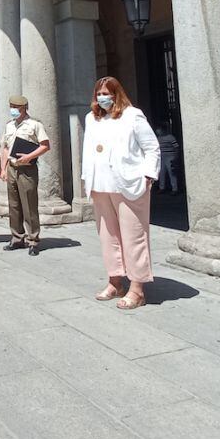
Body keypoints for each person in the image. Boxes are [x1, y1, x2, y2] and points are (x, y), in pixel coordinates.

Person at [81, 77, 160, 310]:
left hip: (128, 183)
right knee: (108, 236)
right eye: (98, 94)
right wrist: (87, 177)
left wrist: (148, 175)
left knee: (133, 236)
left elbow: (151, 147)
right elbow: (88, 149)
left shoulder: (132, 115)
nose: (102, 98)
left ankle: (137, 287)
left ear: (117, 94)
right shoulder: (92, 118)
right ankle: (115, 280)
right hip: (100, 184)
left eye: (106, 93)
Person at [0, 95, 49, 256]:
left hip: (27, 168)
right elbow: (5, 148)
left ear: (25, 107)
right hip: (12, 168)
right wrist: (3, 168)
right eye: (11, 106)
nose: (13, 110)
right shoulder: (9, 126)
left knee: (29, 205)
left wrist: (30, 156)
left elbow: (45, 145)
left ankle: (33, 239)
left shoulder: (35, 125)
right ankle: (17, 237)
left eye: (17, 107)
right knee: (13, 205)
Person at [155, 123, 180, 194]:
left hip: (170, 157)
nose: (158, 131)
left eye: (159, 129)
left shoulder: (170, 137)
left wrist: (176, 157)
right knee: (161, 173)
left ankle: (175, 189)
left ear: (163, 130)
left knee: (172, 173)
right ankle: (161, 188)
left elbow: (176, 147)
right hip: (162, 157)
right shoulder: (158, 138)